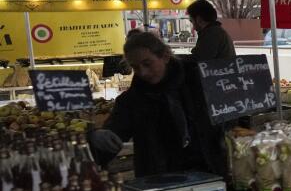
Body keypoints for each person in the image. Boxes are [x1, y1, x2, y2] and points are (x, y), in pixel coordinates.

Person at [90, 32, 226, 178]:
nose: (143, 72)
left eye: (147, 64)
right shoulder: (131, 100)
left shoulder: (199, 81)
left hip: (210, 174)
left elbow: (228, 117)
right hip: (159, 184)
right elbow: (114, 132)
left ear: (165, 56)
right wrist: (97, 137)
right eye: (135, 67)